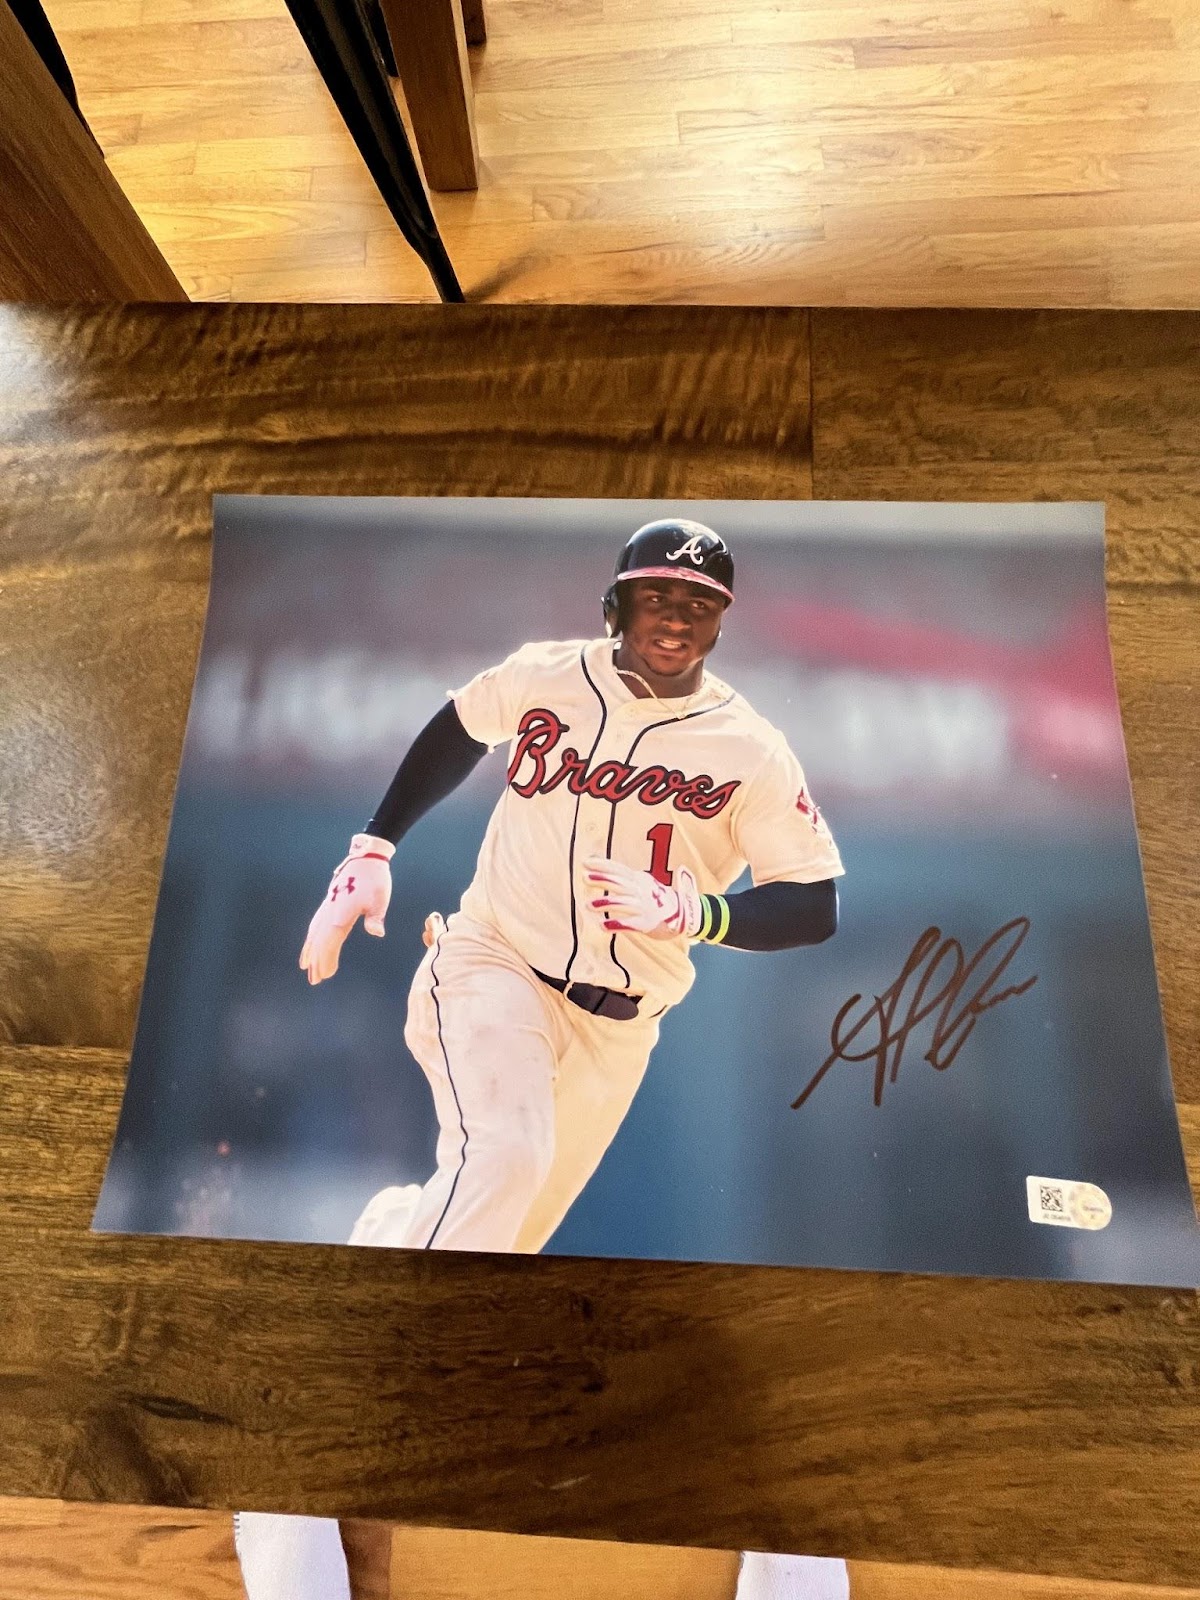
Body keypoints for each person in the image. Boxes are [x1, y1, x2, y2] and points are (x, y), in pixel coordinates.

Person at [235, 519, 849, 1600]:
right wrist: (372, 847)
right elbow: (456, 726)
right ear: (614, 603)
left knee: (497, 1243)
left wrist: (701, 910)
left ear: (722, 624)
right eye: (657, 596)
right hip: (491, 968)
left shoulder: (749, 744)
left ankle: (386, 1230)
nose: (677, 618)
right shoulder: (543, 676)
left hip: (618, 1029)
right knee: (502, 1163)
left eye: (700, 605)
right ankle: (306, 1404)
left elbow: (815, 906)